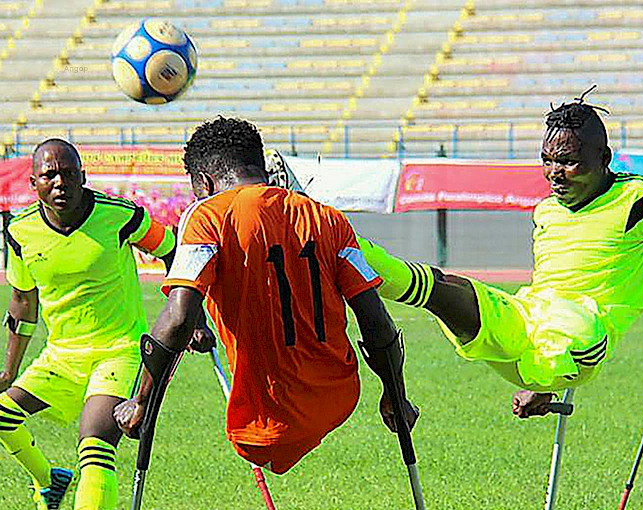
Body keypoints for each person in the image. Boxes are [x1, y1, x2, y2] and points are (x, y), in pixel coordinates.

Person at [356, 96, 643, 417]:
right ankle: (350, 252)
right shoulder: (546, 209)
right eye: (547, 160)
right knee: (446, 289)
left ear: (603, 158)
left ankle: (543, 373)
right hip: (529, 319)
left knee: (569, 330)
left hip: (584, 336)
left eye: (567, 161)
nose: (553, 173)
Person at [114, 117, 417, 476]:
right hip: (337, 398)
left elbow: (179, 319)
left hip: (262, 420)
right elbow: (375, 319)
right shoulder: (328, 218)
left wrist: (142, 401)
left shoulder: (206, 215)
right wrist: (395, 395)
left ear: (202, 182)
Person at [0, 139, 211, 510]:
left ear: (83, 176)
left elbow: (172, 250)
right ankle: (48, 481)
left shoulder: (120, 216)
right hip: (60, 356)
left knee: (95, 445)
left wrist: (192, 315)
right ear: (34, 183)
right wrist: (9, 369)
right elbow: (22, 303)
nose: (61, 183)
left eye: (69, 174)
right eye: (50, 175)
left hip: (118, 350)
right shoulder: (20, 232)